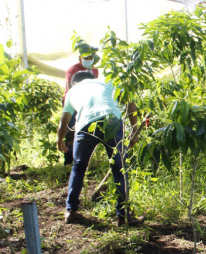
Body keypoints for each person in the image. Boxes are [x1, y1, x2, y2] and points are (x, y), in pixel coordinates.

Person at [57, 71, 144, 226]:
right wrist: (134, 131)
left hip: (85, 126)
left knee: (78, 167)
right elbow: (130, 102)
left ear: (73, 83)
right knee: (119, 169)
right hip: (111, 121)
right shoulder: (107, 83)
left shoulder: (72, 92)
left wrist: (60, 141)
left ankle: (70, 211)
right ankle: (123, 216)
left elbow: (64, 123)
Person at [62, 52, 100, 165]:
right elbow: (71, 89)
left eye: (90, 58)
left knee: (86, 130)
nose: (88, 60)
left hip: (87, 104)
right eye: (86, 58)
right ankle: (68, 160)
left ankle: (82, 159)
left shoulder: (94, 71)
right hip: (73, 103)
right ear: (80, 58)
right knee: (70, 131)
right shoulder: (72, 70)